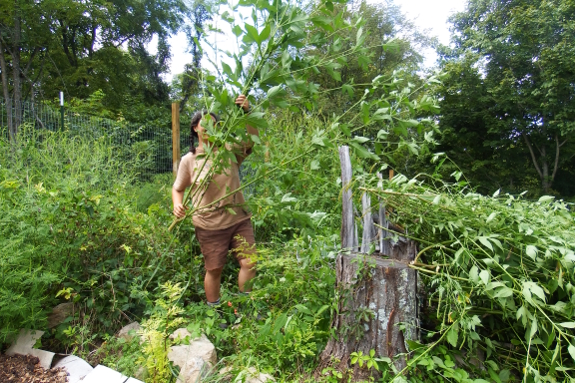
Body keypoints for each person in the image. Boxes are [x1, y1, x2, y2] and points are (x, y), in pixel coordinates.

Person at [172, 95, 257, 307]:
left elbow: (251, 140)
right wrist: (177, 204)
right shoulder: (189, 161)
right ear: (195, 129)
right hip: (209, 225)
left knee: (250, 262)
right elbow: (177, 189)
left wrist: (248, 113)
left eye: (214, 124)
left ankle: (244, 307)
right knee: (214, 269)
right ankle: (214, 311)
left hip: (239, 219)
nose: (210, 127)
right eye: (205, 124)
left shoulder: (229, 150)